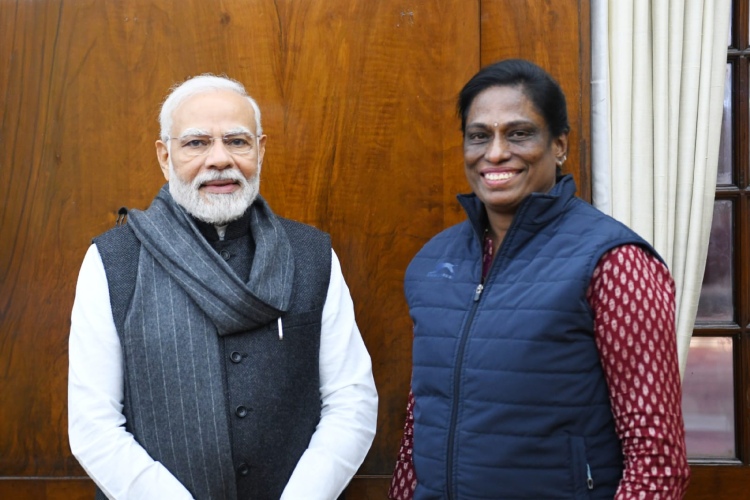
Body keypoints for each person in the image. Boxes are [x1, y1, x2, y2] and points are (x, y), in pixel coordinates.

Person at [388, 59, 690, 499]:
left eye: (518, 133)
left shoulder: (616, 263)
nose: (494, 153)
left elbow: (657, 460)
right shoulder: (432, 262)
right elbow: (422, 424)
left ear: (559, 144)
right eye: (479, 136)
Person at [68, 74, 378, 500]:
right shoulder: (113, 260)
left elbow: (352, 402)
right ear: (165, 155)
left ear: (260, 150)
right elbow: (92, 425)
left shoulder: (312, 254)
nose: (219, 159)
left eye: (237, 141)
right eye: (196, 143)